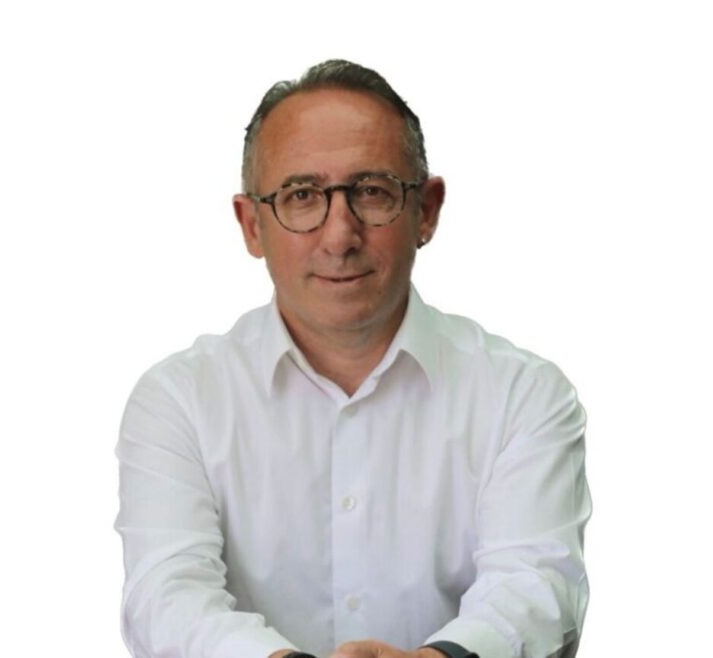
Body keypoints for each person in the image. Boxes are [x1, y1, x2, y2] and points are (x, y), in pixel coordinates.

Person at [115, 59, 592, 658]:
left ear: (426, 211)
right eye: (301, 196)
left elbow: (537, 586)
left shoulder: (524, 395)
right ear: (251, 225)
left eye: (371, 191)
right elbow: (167, 597)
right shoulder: (179, 400)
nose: (339, 236)